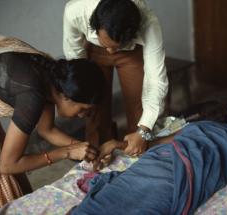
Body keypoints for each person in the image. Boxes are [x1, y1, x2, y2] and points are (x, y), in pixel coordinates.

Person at [70, 99, 227, 215]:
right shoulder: (203, 123)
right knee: (103, 202)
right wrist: (116, 144)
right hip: (154, 163)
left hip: (180, 179)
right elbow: (157, 143)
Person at [0, 36, 103, 213]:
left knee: (12, 180)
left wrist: (83, 148)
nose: (82, 115)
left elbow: (47, 130)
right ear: (66, 96)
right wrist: (67, 152)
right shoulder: (32, 95)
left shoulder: (51, 74)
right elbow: (8, 165)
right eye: (82, 109)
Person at [63, 0, 168, 156]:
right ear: (94, 26)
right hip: (93, 50)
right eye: (106, 44)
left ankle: (137, 152)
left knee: (138, 102)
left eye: (116, 46)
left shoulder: (149, 24)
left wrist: (143, 131)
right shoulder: (76, 11)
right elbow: (76, 61)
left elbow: (155, 81)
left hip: (131, 54)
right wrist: (82, 94)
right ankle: (97, 155)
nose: (111, 52)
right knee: (95, 106)